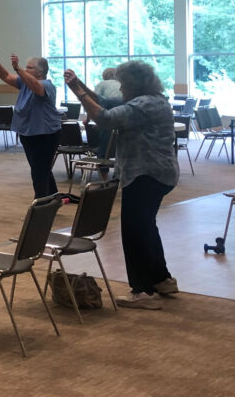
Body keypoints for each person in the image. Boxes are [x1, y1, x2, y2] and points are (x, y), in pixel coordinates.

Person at [65, 61, 180, 310]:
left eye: (124, 84)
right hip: (159, 173)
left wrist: (80, 93)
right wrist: (78, 85)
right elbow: (106, 104)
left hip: (144, 175)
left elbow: (104, 118)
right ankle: (162, 279)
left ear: (135, 84)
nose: (121, 89)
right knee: (146, 227)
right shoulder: (154, 100)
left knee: (133, 231)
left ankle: (143, 291)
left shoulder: (143, 105)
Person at [0, 50, 62, 198]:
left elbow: (36, 87)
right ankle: (54, 197)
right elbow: (6, 76)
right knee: (41, 168)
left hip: (46, 134)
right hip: (28, 133)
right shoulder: (24, 82)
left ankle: (41, 203)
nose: (26, 69)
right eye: (26, 67)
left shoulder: (47, 85)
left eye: (29, 68)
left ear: (40, 72)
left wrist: (18, 68)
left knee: (39, 170)